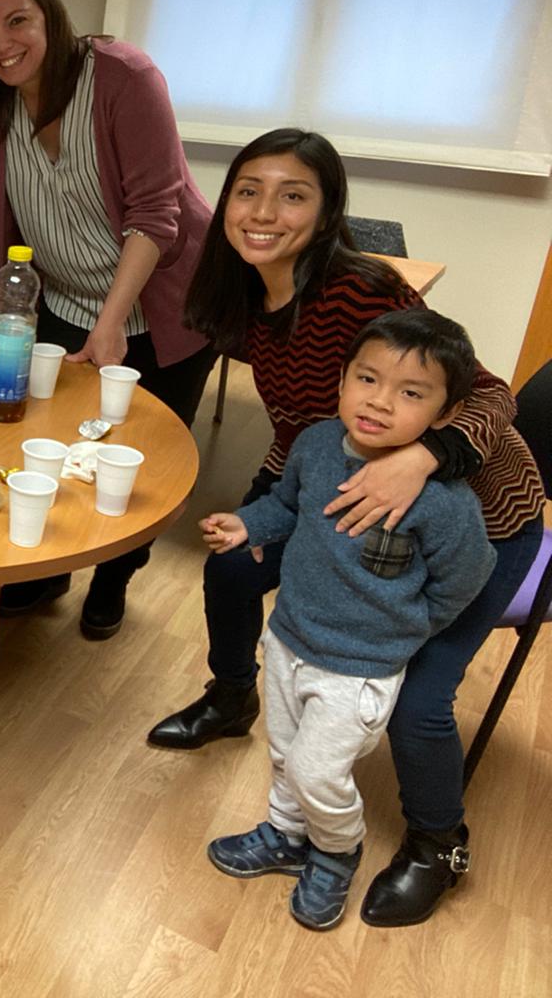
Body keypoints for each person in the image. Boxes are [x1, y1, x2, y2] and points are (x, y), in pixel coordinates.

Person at [147, 129, 544, 928]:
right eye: (248, 190)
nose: (264, 211)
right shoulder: (243, 290)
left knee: (417, 697)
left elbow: (490, 395)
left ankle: (440, 845)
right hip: (339, 485)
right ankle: (233, 698)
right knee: (230, 566)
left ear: (327, 212)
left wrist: (422, 458)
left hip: (472, 518)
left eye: (293, 194)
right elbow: (303, 419)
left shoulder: (363, 293)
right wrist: (267, 502)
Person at [202, 311, 495, 930]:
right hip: (287, 638)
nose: (381, 402)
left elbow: (468, 576)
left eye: (411, 393)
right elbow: (288, 506)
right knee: (285, 755)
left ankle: (335, 853)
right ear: (342, 378)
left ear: (443, 416)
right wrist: (247, 526)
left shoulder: (443, 502)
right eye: (367, 379)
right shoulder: (313, 444)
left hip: (359, 667)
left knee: (318, 769)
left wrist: (413, 626)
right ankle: (285, 836)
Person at [0, 0, 216, 638]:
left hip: (167, 303)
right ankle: (46, 568)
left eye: (18, 21)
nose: (2, 43)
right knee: (46, 441)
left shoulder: (123, 78)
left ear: (52, 17)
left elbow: (157, 211)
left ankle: (115, 577)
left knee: (140, 453)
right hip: (62, 299)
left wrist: (111, 324)